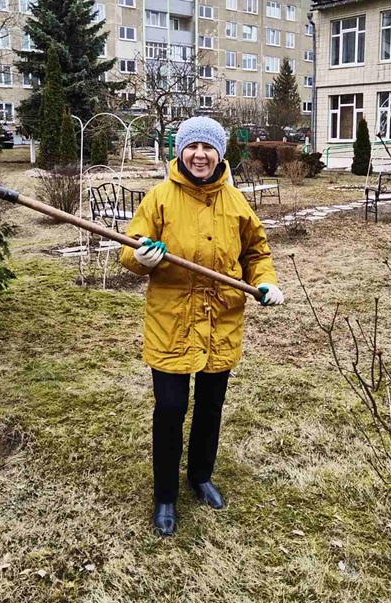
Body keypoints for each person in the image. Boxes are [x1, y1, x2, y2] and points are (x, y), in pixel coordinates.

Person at [120, 116, 283, 536]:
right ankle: (165, 496)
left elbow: (256, 253)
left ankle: (200, 476)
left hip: (220, 320)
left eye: (208, 147)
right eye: (192, 146)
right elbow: (129, 250)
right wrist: (142, 257)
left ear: (219, 153)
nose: (199, 155)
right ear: (180, 152)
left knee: (211, 407)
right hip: (172, 322)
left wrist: (265, 281)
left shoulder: (236, 202)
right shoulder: (159, 198)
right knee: (171, 409)